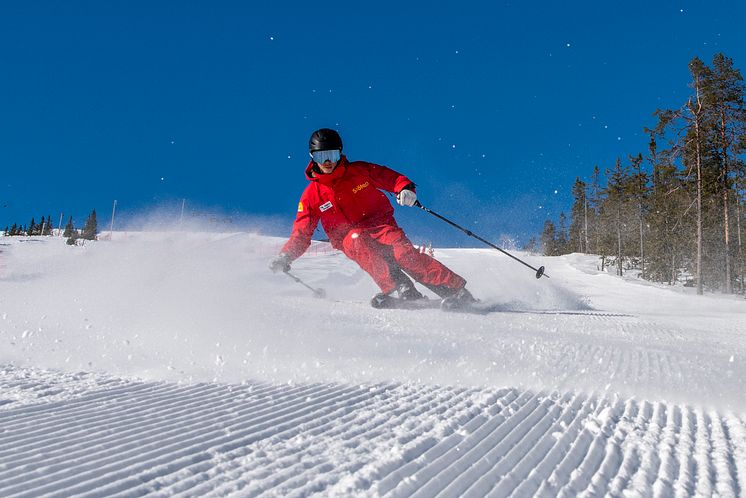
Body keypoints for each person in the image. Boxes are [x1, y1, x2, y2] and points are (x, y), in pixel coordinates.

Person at [270, 128, 476, 308]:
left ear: (340, 153)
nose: (327, 162)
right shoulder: (312, 195)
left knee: (404, 255)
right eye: (321, 156)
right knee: (357, 241)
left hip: (380, 225)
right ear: (312, 157)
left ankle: (455, 291)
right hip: (348, 237)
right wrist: (286, 256)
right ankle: (401, 289)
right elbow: (301, 231)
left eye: (331, 155)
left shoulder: (359, 171)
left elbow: (390, 178)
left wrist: (404, 188)